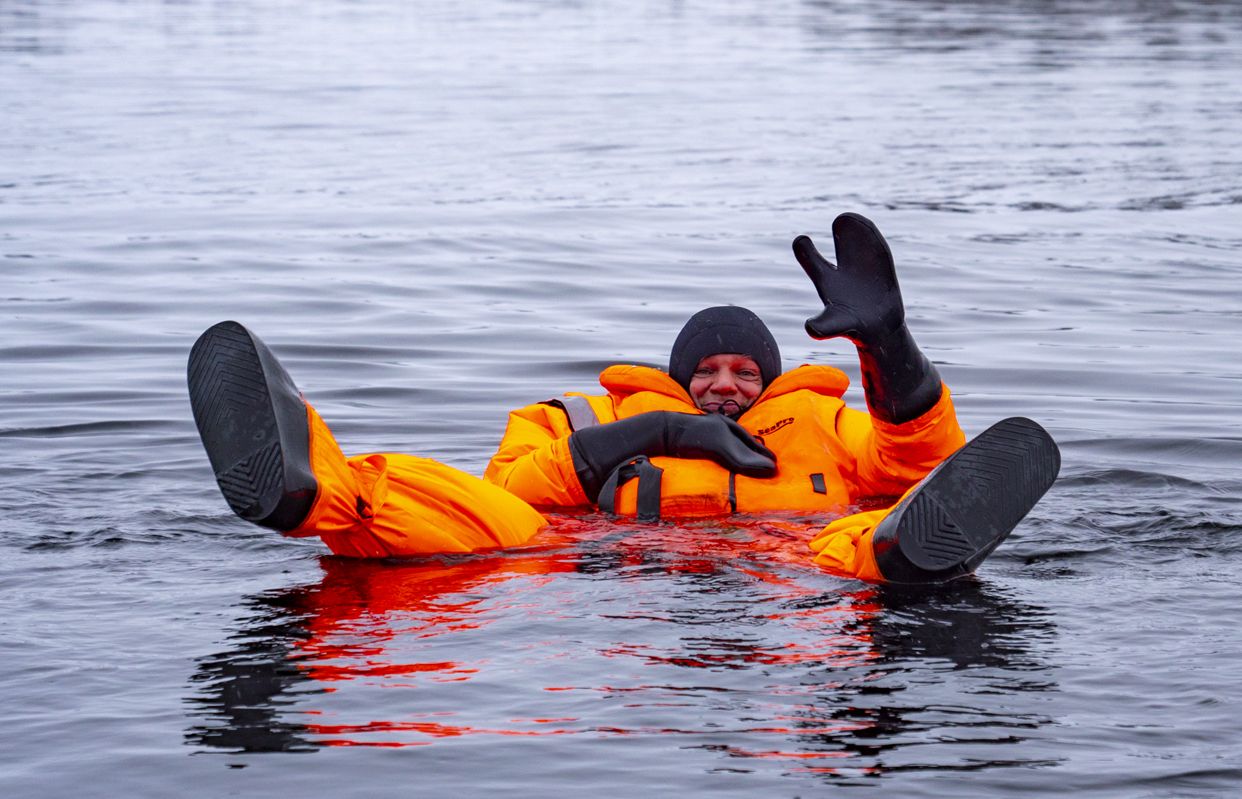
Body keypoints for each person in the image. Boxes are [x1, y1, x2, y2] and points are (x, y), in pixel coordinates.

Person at [188, 214, 1060, 584]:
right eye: (706, 372)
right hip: (599, 564)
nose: (724, 384)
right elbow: (514, 490)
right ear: (679, 378)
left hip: (791, 560)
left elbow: (919, 457)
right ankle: (308, 489)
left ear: (769, 383)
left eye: (744, 373)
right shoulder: (580, 417)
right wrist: (656, 431)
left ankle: (910, 555)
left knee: (850, 542)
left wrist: (890, 346)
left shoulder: (827, 427)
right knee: (473, 518)